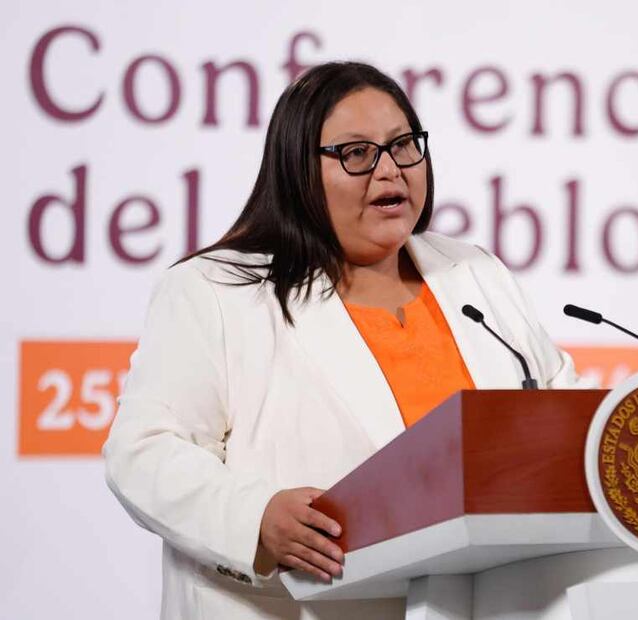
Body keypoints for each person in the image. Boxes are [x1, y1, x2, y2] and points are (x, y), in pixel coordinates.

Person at [103, 62, 584, 620]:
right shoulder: (216, 292)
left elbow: (563, 419)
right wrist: (254, 518)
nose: (390, 171)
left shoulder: (475, 275)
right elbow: (142, 452)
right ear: (297, 171)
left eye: (404, 146)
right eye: (356, 153)